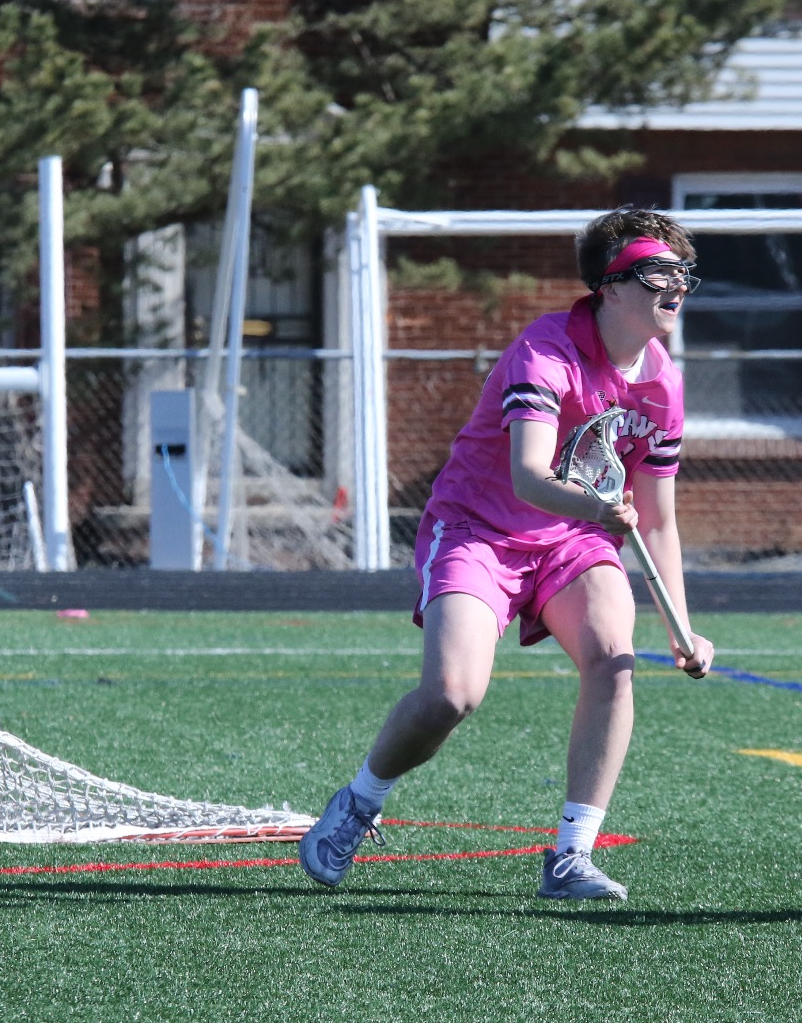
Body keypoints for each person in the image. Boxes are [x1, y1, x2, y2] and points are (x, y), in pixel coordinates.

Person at [299, 208, 714, 901]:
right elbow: (528, 475)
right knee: (451, 695)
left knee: (615, 658)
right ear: (611, 286)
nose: (675, 289)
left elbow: (661, 520)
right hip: (479, 530)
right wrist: (597, 508)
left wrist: (681, 624)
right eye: (656, 274)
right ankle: (360, 800)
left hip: (570, 540)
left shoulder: (663, 383)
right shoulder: (546, 351)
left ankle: (571, 855)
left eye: (682, 276)